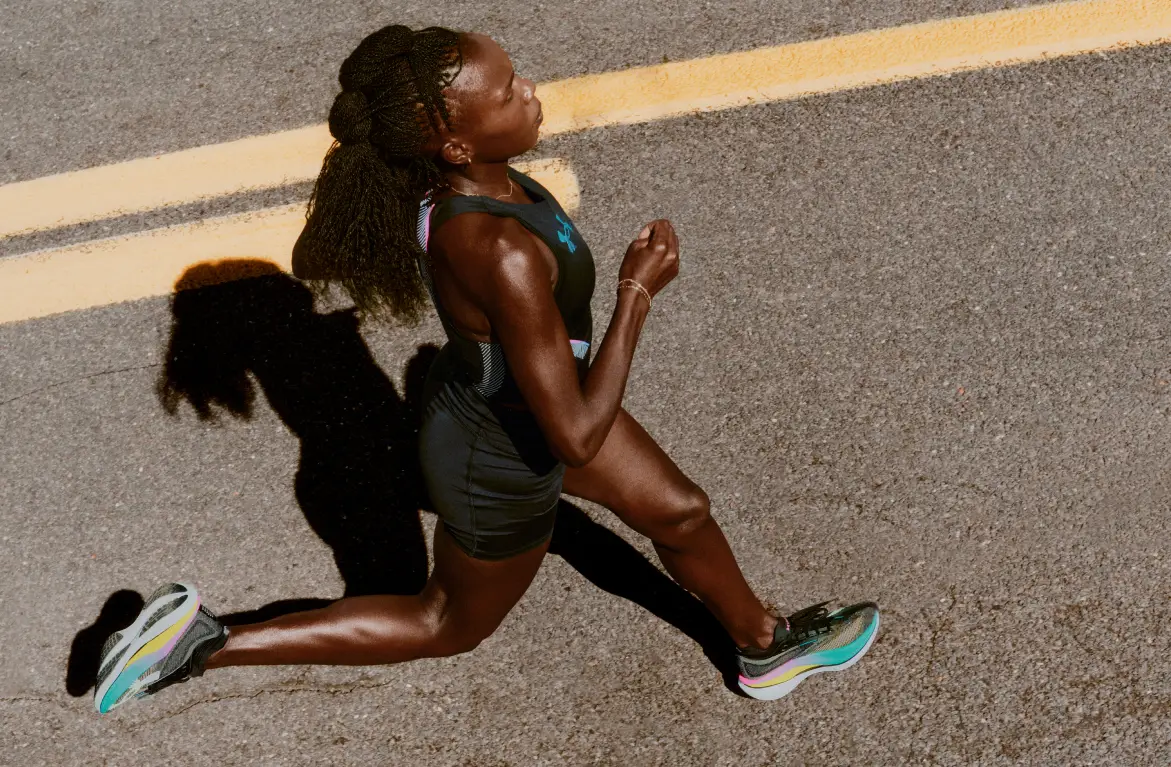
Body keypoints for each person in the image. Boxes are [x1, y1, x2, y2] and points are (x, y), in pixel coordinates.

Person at [94, 24, 879, 714]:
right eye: (506, 91)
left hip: (515, 397)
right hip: (502, 454)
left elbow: (350, 267)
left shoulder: (468, 184)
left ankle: (763, 647)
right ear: (457, 146)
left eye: (513, 75)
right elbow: (574, 438)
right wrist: (636, 294)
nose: (529, 90)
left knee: (677, 510)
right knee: (446, 623)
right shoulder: (498, 250)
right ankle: (200, 644)